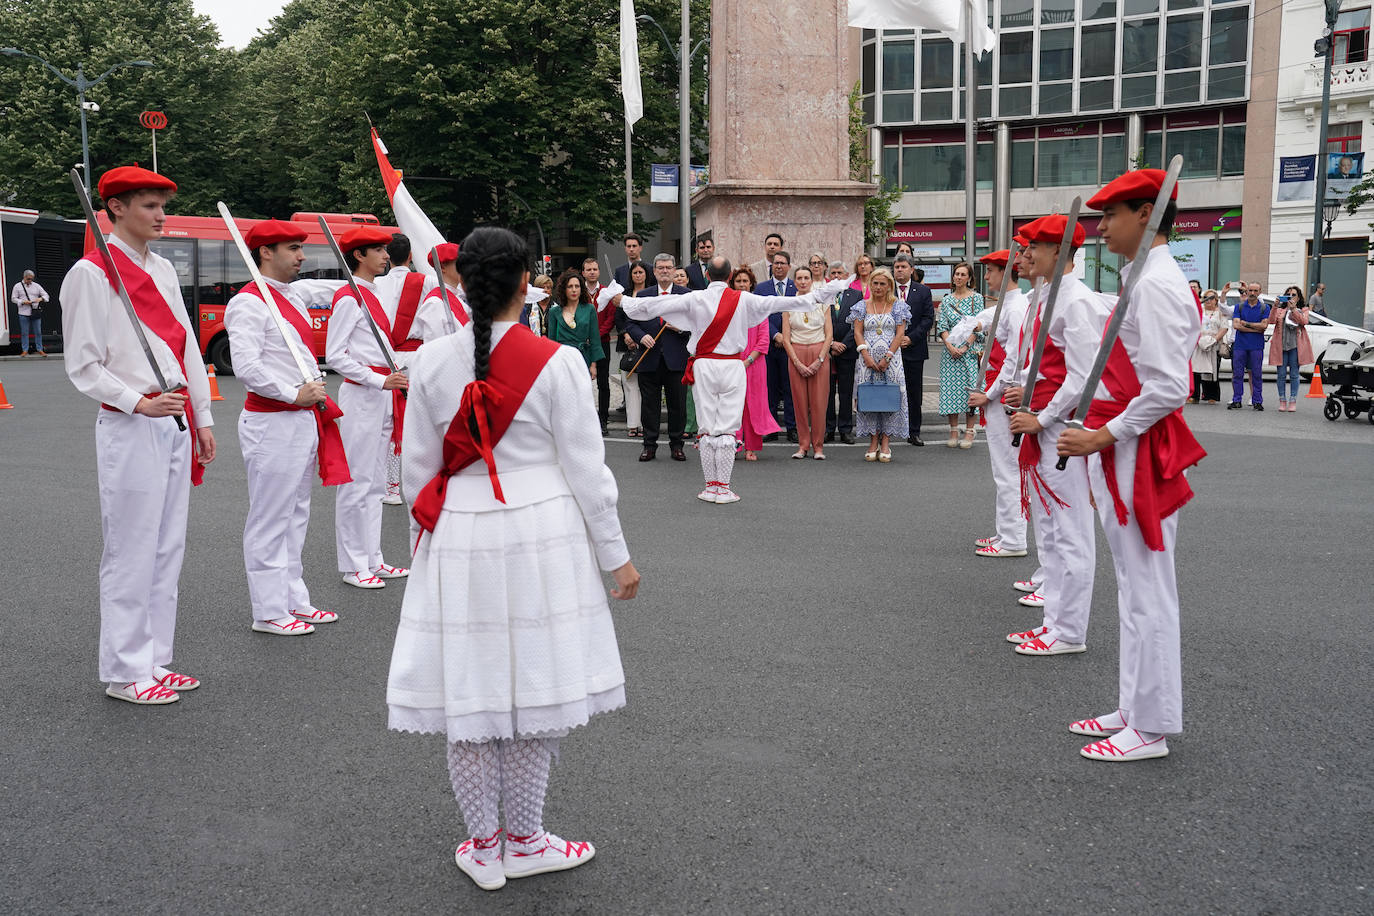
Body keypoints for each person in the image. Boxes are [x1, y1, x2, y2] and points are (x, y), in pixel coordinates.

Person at [386, 226, 641, 890]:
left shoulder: (430, 361)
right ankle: (525, 839)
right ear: (527, 282)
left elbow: (416, 470)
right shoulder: (556, 361)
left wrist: (427, 542)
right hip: (541, 536)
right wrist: (616, 556)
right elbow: (589, 471)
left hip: (459, 534)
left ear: (462, 284)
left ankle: (483, 844)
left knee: (469, 692)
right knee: (535, 688)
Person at [1057, 168, 1207, 761]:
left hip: (1140, 449)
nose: (1101, 227)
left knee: (1147, 589)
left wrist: (1102, 436)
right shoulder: (1142, 277)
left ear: (1147, 213)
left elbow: (1169, 385)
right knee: (1132, 586)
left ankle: (1150, 726)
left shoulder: (1158, 283)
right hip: (1126, 444)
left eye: (1112, 214)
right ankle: (1134, 707)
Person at [61, 164, 216, 704]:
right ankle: (126, 672)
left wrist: (202, 416)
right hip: (130, 424)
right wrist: (138, 402)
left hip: (173, 419)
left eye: (162, 204)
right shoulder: (91, 273)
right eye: (148, 205)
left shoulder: (165, 271)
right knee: (131, 550)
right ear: (116, 209)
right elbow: (83, 366)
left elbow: (187, 346)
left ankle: (154, 658)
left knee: (166, 547)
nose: (160, 214)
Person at [622, 255, 844, 502]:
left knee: (707, 427)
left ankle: (710, 487)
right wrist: (822, 294)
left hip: (704, 365)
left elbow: (649, 307)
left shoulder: (695, 297)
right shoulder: (744, 298)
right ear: (729, 277)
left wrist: (616, 298)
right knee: (728, 428)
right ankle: (723, 487)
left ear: (707, 276)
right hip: (732, 365)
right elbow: (782, 302)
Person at [224, 219, 349, 636]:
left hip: (301, 420)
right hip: (273, 421)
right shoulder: (248, 303)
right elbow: (247, 366)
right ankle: (268, 610)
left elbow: (342, 290)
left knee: (296, 514)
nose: (302, 257)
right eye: (293, 248)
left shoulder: (290, 295)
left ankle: (294, 598)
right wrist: (292, 393)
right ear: (266, 252)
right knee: (270, 517)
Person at [1005, 214, 1111, 657]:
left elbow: (1083, 376)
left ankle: (1068, 631)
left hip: (1062, 429)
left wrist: (1044, 418)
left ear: (1060, 251)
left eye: (1035, 246)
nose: (1026, 254)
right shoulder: (1047, 297)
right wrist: (1023, 388)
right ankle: (1055, 622)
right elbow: (1043, 361)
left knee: (1070, 532)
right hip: (1043, 421)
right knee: (1052, 527)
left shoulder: (1076, 301)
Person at [325, 225, 410, 589]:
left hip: (382, 394)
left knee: (376, 483)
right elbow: (335, 355)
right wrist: (378, 380)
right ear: (359, 255)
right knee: (357, 482)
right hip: (362, 395)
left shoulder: (371, 294)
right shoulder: (349, 298)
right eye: (378, 250)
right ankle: (353, 563)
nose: (387, 256)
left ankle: (373, 558)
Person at [967, 249, 1031, 559]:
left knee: (1009, 469)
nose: (987, 276)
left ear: (1007, 272)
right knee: (1003, 468)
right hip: (1000, 392)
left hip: (1006, 395)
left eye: (991, 271)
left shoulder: (1016, 307)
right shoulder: (1010, 305)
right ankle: (1006, 531)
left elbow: (1014, 360)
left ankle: (1014, 538)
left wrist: (989, 394)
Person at [376, 233, 437, 506]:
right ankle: (424, 483)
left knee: (390, 424)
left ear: (387, 256)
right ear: (411, 256)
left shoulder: (375, 284)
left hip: (385, 358)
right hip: (417, 357)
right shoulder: (426, 282)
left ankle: (390, 486)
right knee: (422, 422)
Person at [623, 254, 691, 461]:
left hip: (676, 359)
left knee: (677, 406)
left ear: (674, 270)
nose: (664, 271)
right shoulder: (644, 295)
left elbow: (697, 323)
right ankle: (649, 445)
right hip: (649, 357)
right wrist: (641, 336)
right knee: (649, 406)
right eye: (660, 267)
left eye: (668, 267)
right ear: (654, 271)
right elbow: (630, 322)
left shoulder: (686, 295)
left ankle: (677, 445)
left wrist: (681, 328)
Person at [850, 266, 910, 462]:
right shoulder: (861, 306)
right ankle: (873, 440)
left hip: (891, 361)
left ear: (889, 286)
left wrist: (888, 357)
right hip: (866, 360)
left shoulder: (898, 306)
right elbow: (858, 332)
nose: (877, 287)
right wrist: (865, 355)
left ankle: (886, 442)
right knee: (869, 398)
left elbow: (900, 334)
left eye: (882, 283)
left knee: (890, 397)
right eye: (875, 283)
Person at [780, 265, 833, 459]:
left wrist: (820, 360)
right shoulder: (789, 304)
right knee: (799, 403)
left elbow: (829, 335)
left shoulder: (822, 302)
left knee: (819, 403)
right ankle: (803, 445)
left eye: (806, 278)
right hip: (797, 353)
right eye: (799, 278)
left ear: (812, 281)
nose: (803, 281)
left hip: (819, 352)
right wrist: (796, 362)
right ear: (794, 282)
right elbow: (786, 337)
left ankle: (818, 446)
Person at [732, 267, 780, 460]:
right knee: (733, 406)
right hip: (733, 363)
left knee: (753, 404)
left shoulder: (759, 307)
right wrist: (736, 361)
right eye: (738, 281)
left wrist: (748, 360)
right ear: (733, 284)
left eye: (745, 281)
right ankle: (734, 444)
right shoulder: (729, 306)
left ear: (751, 284)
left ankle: (751, 447)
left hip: (755, 363)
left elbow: (763, 340)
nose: (742, 284)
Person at [936, 262, 985, 449]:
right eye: (956, 274)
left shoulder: (976, 298)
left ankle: (970, 431)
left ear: (970, 278)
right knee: (951, 390)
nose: (958, 277)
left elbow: (979, 325)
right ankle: (954, 430)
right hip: (950, 353)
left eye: (963, 274)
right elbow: (942, 327)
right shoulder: (947, 300)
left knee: (971, 391)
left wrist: (965, 346)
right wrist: (949, 345)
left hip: (970, 352)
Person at [892, 254, 935, 446]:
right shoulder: (886, 289)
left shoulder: (923, 291)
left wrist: (910, 338)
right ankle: (890, 428)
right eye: (896, 267)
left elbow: (928, 318)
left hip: (914, 348)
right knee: (891, 390)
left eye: (902, 267)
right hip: (890, 350)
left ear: (911, 269)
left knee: (913, 392)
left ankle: (914, 431)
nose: (899, 270)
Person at [757, 252, 798, 441]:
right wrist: (775, 334)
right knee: (770, 388)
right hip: (769, 345)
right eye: (775, 263)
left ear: (789, 266)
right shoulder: (761, 288)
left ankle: (792, 427)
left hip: (792, 345)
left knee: (790, 388)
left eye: (782, 263)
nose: (778, 266)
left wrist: (787, 337)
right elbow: (760, 315)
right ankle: (771, 427)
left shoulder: (796, 287)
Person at [548, 269, 604, 381]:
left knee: (583, 395)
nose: (574, 290)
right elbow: (551, 341)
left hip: (582, 358)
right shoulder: (554, 311)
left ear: (581, 288)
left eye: (577, 286)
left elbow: (595, 339)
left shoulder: (589, 309)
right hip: (562, 359)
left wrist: (593, 365)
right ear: (564, 289)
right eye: (570, 286)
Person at [615, 260, 649, 438]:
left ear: (646, 274)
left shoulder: (652, 293)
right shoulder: (624, 294)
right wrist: (627, 335)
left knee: (645, 386)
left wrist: (640, 337)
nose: (638, 275)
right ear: (631, 276)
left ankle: (644, 424)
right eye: (635, 273)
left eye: (641, 272)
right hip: (626, 345)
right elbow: (619, 318)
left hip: (647, 345)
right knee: (629, 385)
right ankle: (632, 425)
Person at [825, 262, 858, 444]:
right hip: (827, 351)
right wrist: (830, 344)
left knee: (846, 392)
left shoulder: (856, 295)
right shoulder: (824, 294)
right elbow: (819, 322)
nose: (837, 276)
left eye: (840, 273)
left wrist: (844, 344)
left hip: (847, 350)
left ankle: (845, 429)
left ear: (846, 275)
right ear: (829, 276)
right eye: (833, 273)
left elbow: (857, 323)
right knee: (827, 392)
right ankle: (829, 429)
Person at [582, 258, 615, 435]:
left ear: (599, 271)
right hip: (582, 344)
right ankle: (585, 421)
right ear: (583, 273)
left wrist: (596, 336)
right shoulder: (578, 292)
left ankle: (603, 421)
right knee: (582, 383)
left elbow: (610, 318)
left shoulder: (607, 292)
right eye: (589, 269)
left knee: (603, 383)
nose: (592, 272)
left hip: (602, 343)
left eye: (595, 269)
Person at [1268, 287, 1313, 412]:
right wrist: (1275, 306)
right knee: (1281, 375)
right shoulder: (1280, 310)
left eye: (1294, 295)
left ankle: (1293, 400)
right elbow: (1271, 321)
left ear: (1298, 297)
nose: (1291, 296)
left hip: (1295, 346)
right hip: (1280, 346)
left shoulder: (1303, 310)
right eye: (1288, 294)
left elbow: (1303, 321)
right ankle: (1282, 400)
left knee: (1294, 375)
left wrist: (1293, 309)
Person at [1228, 282, 1270, 410]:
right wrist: (1256, 328)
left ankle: (1257, 401)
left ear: (1259, 292)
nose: (1252, 293)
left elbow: (1264, 326)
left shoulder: (1264, 307)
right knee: (1237, 374)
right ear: (1247, 291)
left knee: (1257, 374)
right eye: (1250, 290)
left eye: (1255, 291)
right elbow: (1236, 325)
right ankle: (1237, 400)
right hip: (1240, 345)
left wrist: (1245, 324)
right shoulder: (1239, 307)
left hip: (1256, 346)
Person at [1190, 290, 1227, 403]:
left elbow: (1224, 327)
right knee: (1195, 370)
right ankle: (1194, 395)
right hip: (1199, 342)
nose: (1208, 300)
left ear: (1216, 300)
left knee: (1212, 370)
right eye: (1205, 298)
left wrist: (1214, 339)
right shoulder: (1199, 311)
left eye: (1211, 298)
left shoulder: (1220, 313)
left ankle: (1211, 395)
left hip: (1213, 343)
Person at [11, 268, 49, 356]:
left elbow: (46, 295)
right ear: (24, 277)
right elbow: (13, 299)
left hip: (35, 311)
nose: (30, 281)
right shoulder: (17, 286)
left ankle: (40, 349)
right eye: (28, 279)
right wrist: (22, 302)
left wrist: (41, 298)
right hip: (23, 312)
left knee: (38, 331)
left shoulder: (36, 286)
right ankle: (25, 350)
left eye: (31, 279)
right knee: (24, 332)